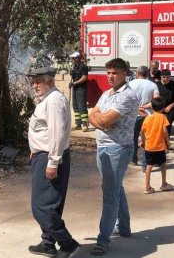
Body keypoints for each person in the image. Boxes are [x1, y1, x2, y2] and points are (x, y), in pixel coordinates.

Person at [26, 67, 80, 258]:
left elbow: (57, 134)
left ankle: (67, 243)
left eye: (38, 81)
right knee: (50, 204)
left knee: (42, 207)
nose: (34, 85)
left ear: (49, 81)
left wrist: (53, 162)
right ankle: (48, 243)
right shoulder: (47, 99)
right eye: (33, 82)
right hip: (43, 155)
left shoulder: (54, 101)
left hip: (50, 157)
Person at [88, 58, 138, 256]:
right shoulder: (106, 94)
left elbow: (105, 118)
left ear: (125, 73)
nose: (110, 76)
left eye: (114, 72)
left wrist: (101, 120)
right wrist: (100, 122)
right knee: (116, 188)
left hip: (117, 148)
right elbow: (94, 114)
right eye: (108, 72)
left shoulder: (127, 96)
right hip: (103, 146)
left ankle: (103, 239)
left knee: (110, 193)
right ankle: (124, 228)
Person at [128, 66, 160, 170]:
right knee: (147, 140)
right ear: (147, 74)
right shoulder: (153, 85)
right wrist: (145, 107)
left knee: (134, 138)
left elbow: (127, 101)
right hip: (148, 116)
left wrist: (137, 108)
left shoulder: (130, 84)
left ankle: (133, 159)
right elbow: (157, 101)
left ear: (137, 74)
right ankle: (145, 164)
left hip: (134, 115)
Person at [140, 97, 174, 194]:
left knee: (149, 165)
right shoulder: (163, 117)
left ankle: (147, 187)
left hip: (149, 146)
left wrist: (143, 141)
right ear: (162, 108)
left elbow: (142, 131)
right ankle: (164, 184)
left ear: (152, 107)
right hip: (160, 147)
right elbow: (164, 131)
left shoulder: (147, 118)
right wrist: (168, 142)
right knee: (163, 164)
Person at [158, 69, 174, 137]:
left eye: (168, 77)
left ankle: (166, 143)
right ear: (161, 77)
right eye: (164, 77)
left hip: (171, 109)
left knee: (167, 125)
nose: (166, 79)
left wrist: (170, 107)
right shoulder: (157, 84)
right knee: (159, 125)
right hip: (159, 108)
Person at [69, 51, 89, 131]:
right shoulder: (74, 67)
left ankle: (85, 125)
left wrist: (74, 83)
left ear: (77, 58)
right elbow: (73, 77)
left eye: (73, 58)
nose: (72, 60)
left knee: (82, 107)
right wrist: (71, 74)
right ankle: (78, 124)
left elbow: (84, 78)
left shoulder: (83, 67)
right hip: (75, 88)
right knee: (75, 106)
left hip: (81, 89)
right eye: (72, 58)